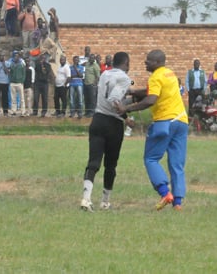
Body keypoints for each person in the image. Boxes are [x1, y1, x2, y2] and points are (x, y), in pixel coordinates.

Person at [117, 49, 189, 211]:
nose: (145, 62)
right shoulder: (169, 73)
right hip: (181, 122)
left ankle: (165, 193)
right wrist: (135, 92)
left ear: (156, 62)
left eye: (148, 60)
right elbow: (152, 91)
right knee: (176, 164)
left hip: (165, 122)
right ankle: (178, 202)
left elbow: (151, 99)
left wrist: (126, 108)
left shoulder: (155, 76)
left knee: (151, 158)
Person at [80, 52, 134, 212]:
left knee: (93, 162)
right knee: (110, 164)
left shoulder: (104, 74)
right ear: (126, 63)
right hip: (112, 123)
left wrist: (132, 95)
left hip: (97, 119)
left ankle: (86, 198)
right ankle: (105, 201)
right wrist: (126, 117)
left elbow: (109, 95)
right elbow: (114, 100)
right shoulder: (124, 77)